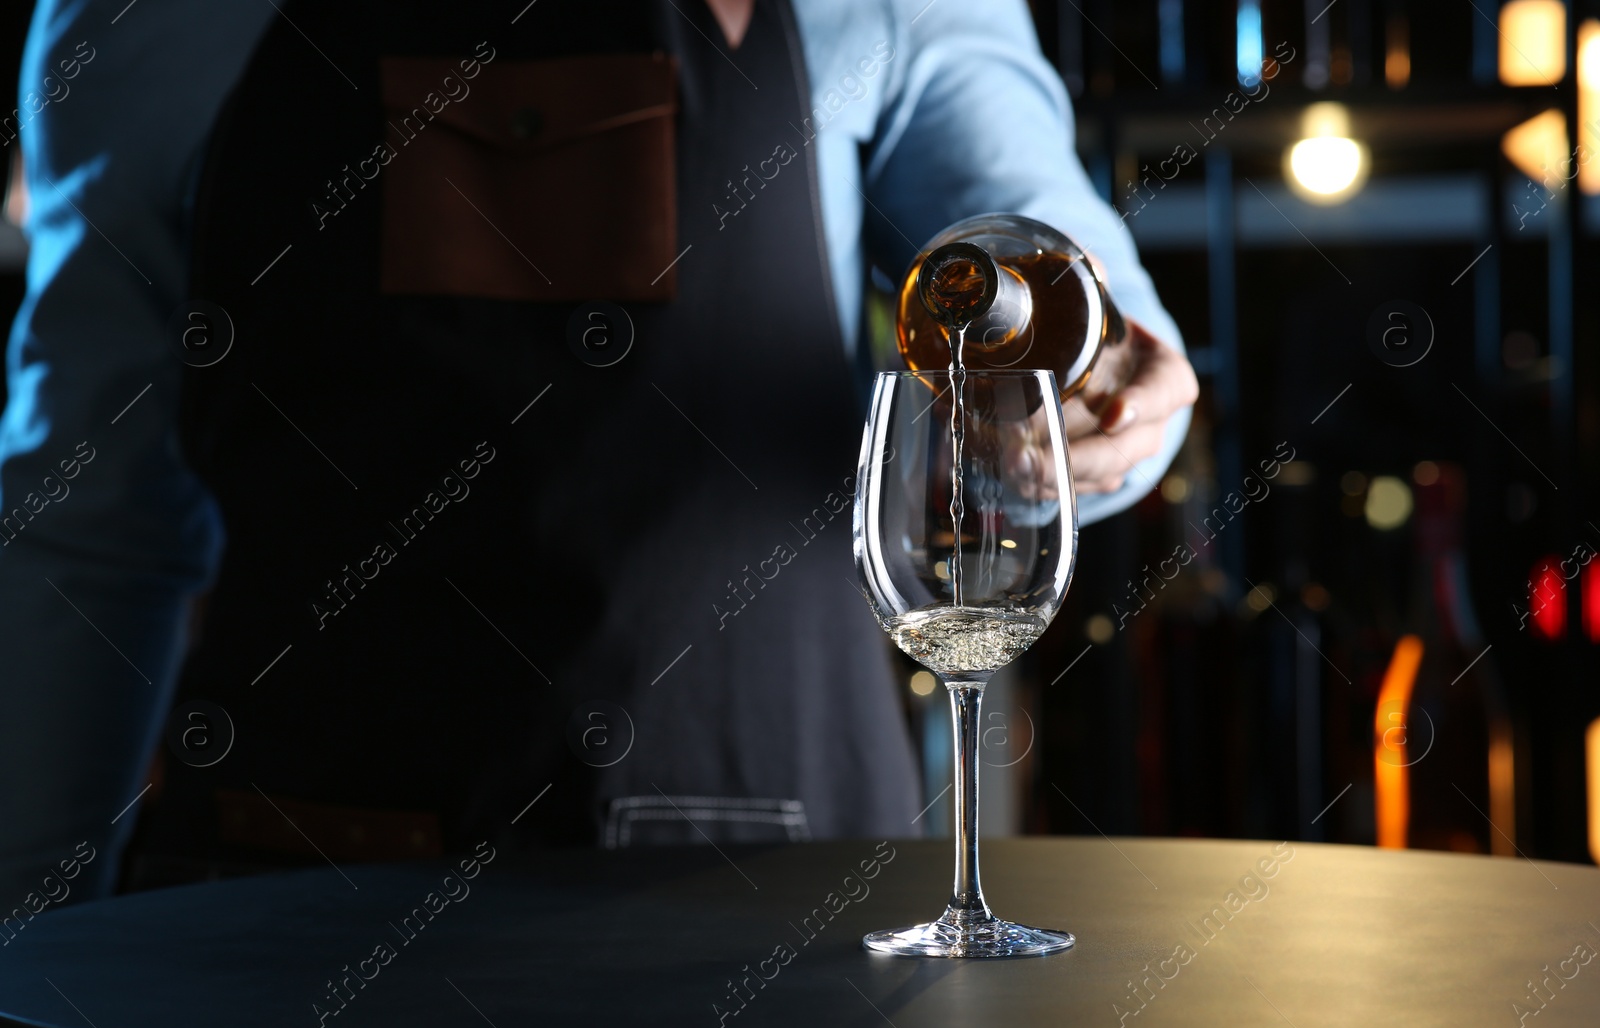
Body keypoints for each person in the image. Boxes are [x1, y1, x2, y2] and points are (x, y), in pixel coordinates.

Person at [0, 0, 1197, 906]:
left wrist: (1080, 400)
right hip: (291, 910)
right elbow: (84, 532)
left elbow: (1043, 263)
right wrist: (29, 947)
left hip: (782, 912)